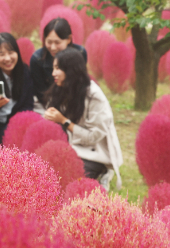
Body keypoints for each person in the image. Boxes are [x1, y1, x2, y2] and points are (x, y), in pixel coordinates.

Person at [42, 48, 122, 190]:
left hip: (93, 153)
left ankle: (103, 173)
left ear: (71, 71)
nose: (53, 73)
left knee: (72, 183)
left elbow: (93, 137)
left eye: (58, 69)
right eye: (53, 68)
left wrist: (63, 121)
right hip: (70, 146)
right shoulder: (61, 87)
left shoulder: (94, 96)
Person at [30, 18, 88, 111]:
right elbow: (40, 92)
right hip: (48, 102)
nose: (52, 48)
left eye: (57, 42)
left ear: (69, 39)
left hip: (76, 100)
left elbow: (81, 82)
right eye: (49, 42)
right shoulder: (37, 59)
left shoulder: (80, 53)